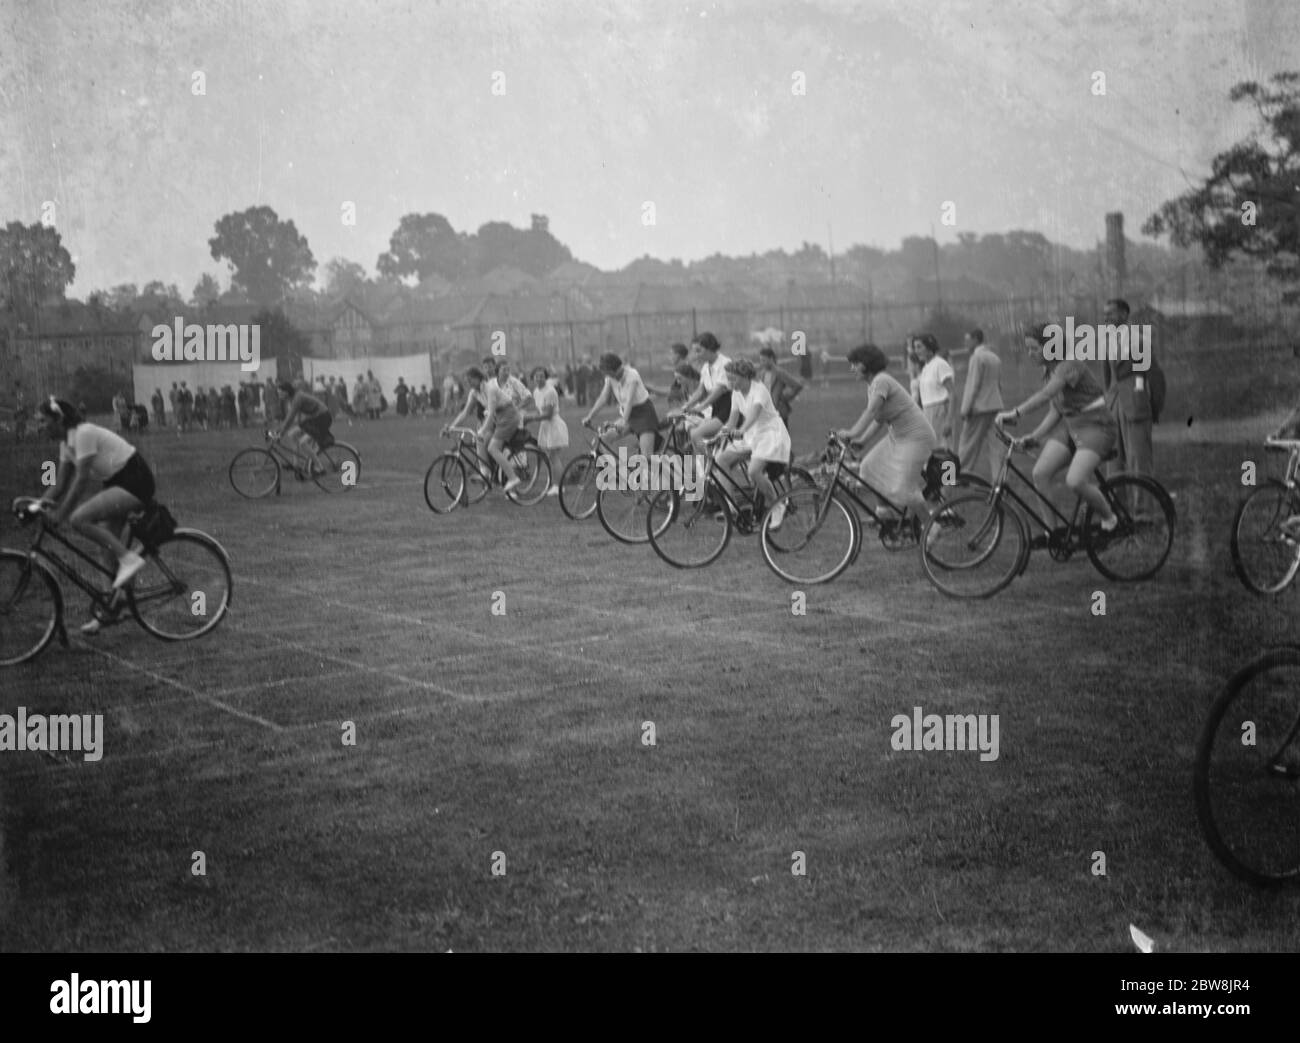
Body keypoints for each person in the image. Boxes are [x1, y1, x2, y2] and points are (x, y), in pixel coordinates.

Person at [34, 397, 157, 633]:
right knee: (105, 549)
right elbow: (59, 485)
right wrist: (36, 505)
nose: (39, 426)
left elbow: (80, 480)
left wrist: (60, 514)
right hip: (116, 482)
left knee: (78, 519)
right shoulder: (65, 444)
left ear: (59, 419)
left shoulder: (83, 433)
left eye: (42, 421)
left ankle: (130, 560)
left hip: (135, 480)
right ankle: (110, 609)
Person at [995, 324, 1119, 531]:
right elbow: (1056, 411)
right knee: (1040, 474)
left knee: (1075, 481)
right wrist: (1033, 437)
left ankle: (1110, 518)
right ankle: (1052, 532)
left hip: (1097, 427)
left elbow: (1045, 396)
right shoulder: (1049, 370)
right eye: (1028, 348)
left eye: (1034, 348)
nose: (1030, 353)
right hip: (1073, 429)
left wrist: (1014, 412)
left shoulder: (1069, 364)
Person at [835, 343, 938, 521]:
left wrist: (852, 432)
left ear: (866, 363)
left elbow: (872, 411)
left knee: (905, 489)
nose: (852, 368)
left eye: (855, 363)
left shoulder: (882, 380)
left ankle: (931, 526)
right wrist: (862, 441)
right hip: (898, 437)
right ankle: (885, 512)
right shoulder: (873, 385)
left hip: (916, 437)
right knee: (868, 467)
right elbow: (878, 419)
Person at [717, 357, 792, 528]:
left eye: (733, 378)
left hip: (770, 435)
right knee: (721, 460)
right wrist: (722, 434)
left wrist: (742, 430)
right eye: (728, 378)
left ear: (745, 376)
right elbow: (732, 419)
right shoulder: (736, 393)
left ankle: (777, 506)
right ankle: (732, 506)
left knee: (754, 471)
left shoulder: (760, 390)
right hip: (752, 435)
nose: (730, 382)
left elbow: (754, 414)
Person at [444, 367, 526, 493]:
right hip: (497, 417)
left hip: (509, 416)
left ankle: (513, 478)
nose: (468, 383)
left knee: (493, 448)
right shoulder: (474, 392)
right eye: (466, 381)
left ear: (478, 378)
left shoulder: (490, 389)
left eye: (470, 380)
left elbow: (491, 412)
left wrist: (482, 431)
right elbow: (465, 412)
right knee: (480, 441)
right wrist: (452, 427)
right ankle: (485, 473)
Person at [1101, 298, 1154, 481]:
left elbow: (1149, 376)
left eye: (1111, 313)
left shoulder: (1139, 340)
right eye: (1105, 314)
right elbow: (1107, 379)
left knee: (1138, 460)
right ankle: (1116, 509)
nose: (1106, 318)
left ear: (1124, 314)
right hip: (1113, 406)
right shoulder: (1107, 341)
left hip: (1134, 406)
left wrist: (1139, 397)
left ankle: (1142, 510)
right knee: (1114, 463)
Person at [584, 352, 660, 461]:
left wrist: (623, 422)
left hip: (644, 415)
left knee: (647, 458)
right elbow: (603, 398)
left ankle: (658, 476)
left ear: (612, 369)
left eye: (606, 372)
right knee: (604, 439)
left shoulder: (632, 375)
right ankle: (614, 472)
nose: (606, 375)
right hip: (628, 415)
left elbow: (629, 400)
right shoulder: (610, 378)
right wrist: (590, 416)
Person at [957, 328, 1004, 481]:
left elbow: (973, 385)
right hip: (995, 406)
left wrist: (965, 409)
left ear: (976, 339)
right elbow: (998, 384)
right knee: (996, 446)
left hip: (978, 408)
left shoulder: (977, 358)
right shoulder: (994, 357)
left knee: (966, 445)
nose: (965, 343)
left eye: (967, 339)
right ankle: (1000, 480)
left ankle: (952, 478)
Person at [676, 332, 732, 456]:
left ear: (709, 348)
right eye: (695, 351)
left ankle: (711, 464)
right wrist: (687, 406)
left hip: (728, 410)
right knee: (693, 432)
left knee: (696, 434)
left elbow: (720, 390)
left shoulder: (725, 363)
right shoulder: (706, 367)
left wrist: (701, 407)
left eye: (699, 351)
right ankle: (707, 467)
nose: (696, 355)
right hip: (717, 411)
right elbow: (700, 391)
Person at [275, 379, 335, 473]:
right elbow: (290, 418)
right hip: (315, 418)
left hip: (322, 418)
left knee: (303, 443)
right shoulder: (293, 397)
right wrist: (279, 431)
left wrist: (280, 434)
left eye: (280, 393)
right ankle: (296, 465)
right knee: (292, 434)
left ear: (286, 392)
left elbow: (290, 418)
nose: (279, 395)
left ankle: (320, 468)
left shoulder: (297, 398)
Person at [527, 366, 569, 495]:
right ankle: (556, 484)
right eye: (537, 376)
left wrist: (530, 418)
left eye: (542, 376)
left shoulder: (550, 391)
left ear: (546, 377)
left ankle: (559, 486)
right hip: (546, 426)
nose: (539, 379)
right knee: (551, 457)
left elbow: (548, 414)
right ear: (533, 378)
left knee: (554, 456)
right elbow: (539, 411)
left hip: (554, 425)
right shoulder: (536, 391)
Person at [914, 333, 955, 449]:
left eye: (919, 347)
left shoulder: (940, 364)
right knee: (931, 452)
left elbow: (952, 393)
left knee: (944, 451)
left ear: (929, 347)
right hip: (927, 412)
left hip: (940, 412)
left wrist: (949, 420)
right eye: (915, 347)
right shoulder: (926, 367)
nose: (916, 351)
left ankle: (951, 468)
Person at [758, 346, 804, 426]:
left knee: (781, 438)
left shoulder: (779, 372)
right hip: (765, 412)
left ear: (771, 359)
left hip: (778, 411)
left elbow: (797, 386)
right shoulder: (762, 373)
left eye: (764, 360)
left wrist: (785, 397)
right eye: (761, 360)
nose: (761, 362)